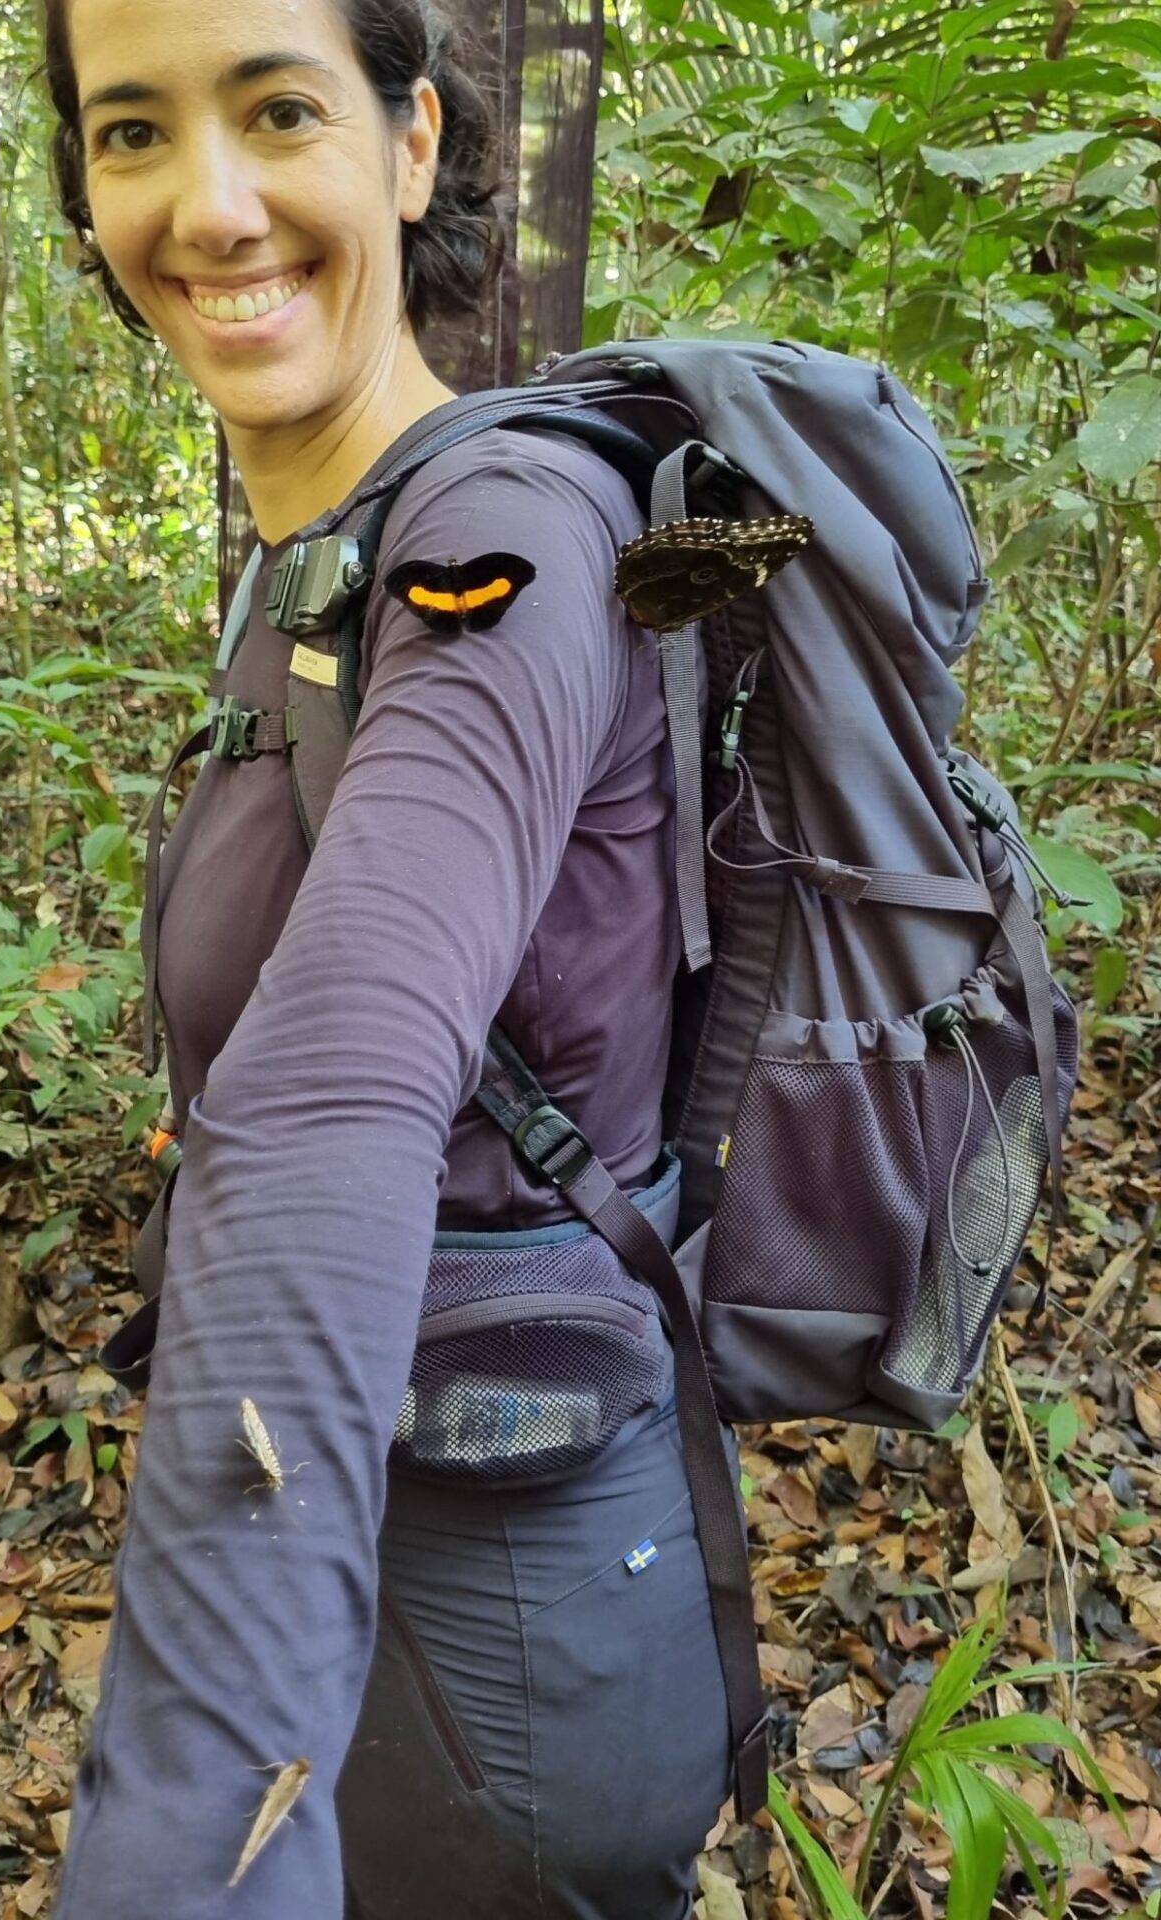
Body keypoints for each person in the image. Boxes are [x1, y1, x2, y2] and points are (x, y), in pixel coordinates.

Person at [43, 2, 742, 1914]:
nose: (209, 205)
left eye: (279, 110)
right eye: (131, 131)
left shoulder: (491, 539)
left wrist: (187, 1847)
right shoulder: (326, 553)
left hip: (505, 1646)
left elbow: (341, 1077)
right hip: (413, 1554)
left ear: (412, 143)